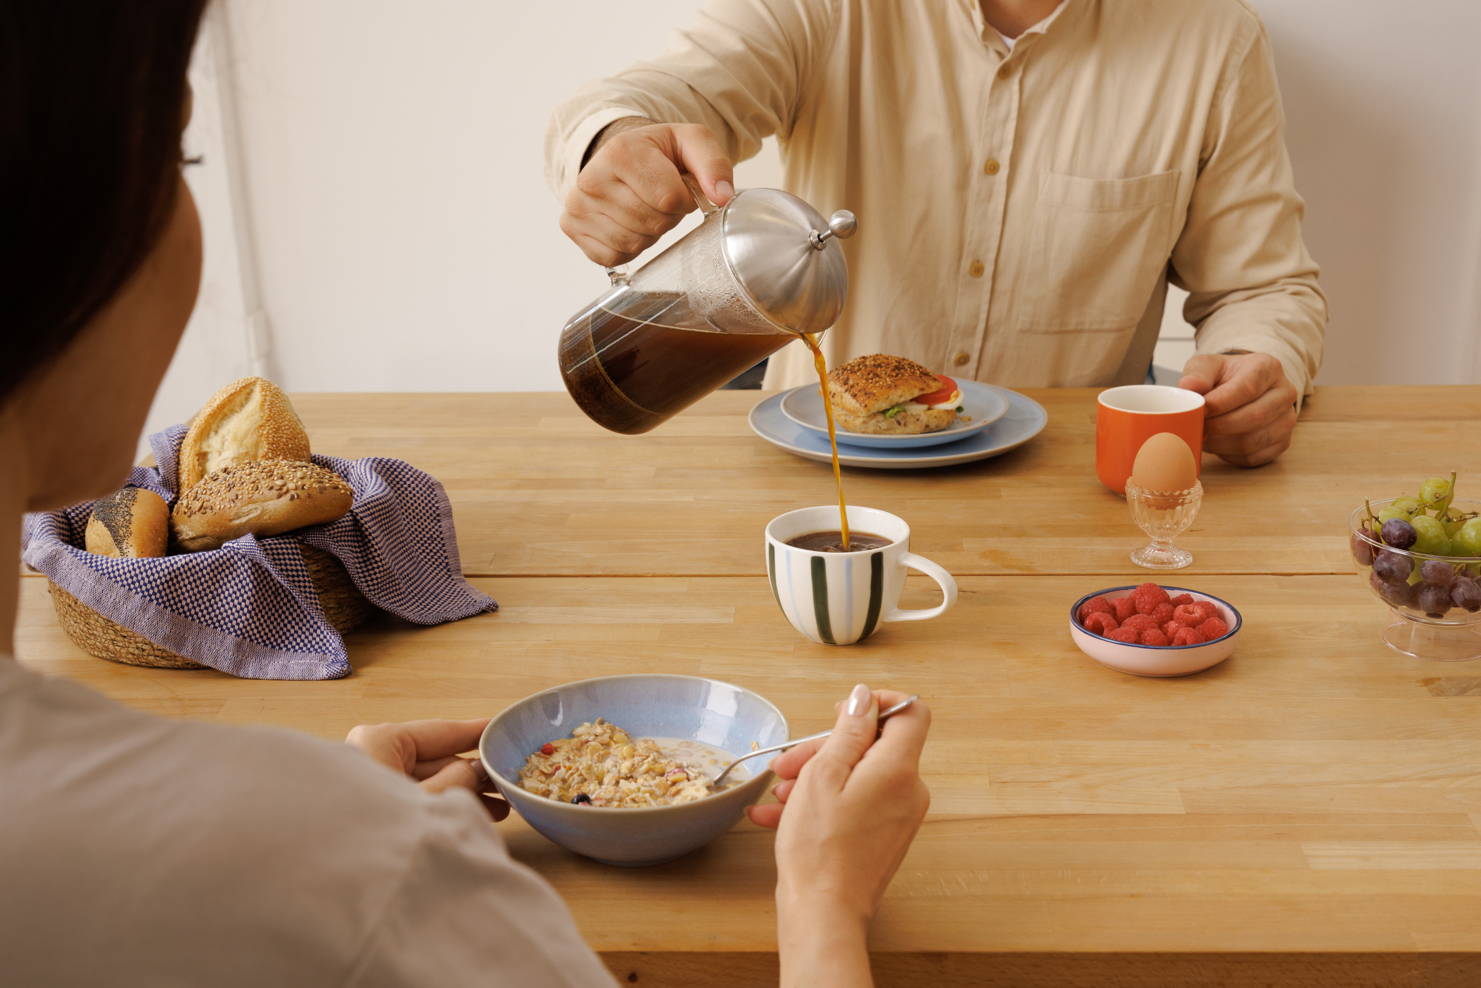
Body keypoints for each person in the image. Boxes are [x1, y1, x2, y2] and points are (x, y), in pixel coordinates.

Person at [0, 5, 931, 985]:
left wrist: (345, 834)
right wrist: (825, 902)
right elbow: (658, 90)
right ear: (59, 236)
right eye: (178, 158)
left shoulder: (309, 844)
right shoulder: (340, 867)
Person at [546, 0, 1328, 467]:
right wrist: (613, 141)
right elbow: (666, 90)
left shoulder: (1213, 37)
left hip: (1062, 490)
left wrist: (1259, 367)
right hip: (816, 474)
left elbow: (1262, 287)